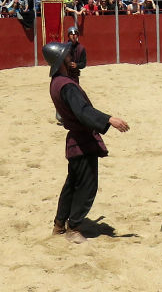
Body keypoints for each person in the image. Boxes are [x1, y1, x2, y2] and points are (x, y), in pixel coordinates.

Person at [42, 42, 129, 243]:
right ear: (60, 60)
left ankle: (59, 224)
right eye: (67, 55)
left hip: (76, 140)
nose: (71, 56)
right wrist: (109, 119)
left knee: (72, 184)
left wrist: (72, 72)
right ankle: (73, 227)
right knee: (86, 186)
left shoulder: (58, 81)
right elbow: (82, 111)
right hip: (81, 142)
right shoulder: (66, 87)